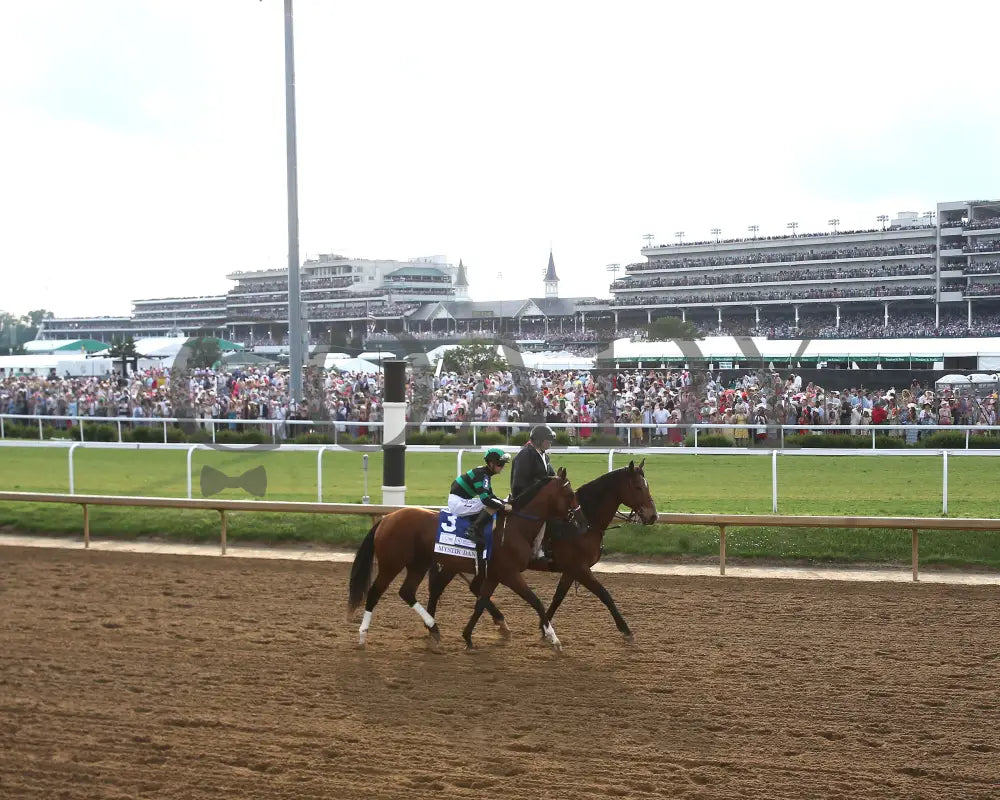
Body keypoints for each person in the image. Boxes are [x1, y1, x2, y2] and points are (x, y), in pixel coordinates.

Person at [447, 447, 512, 545]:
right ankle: (473, 530)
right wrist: (502, 506)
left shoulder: (484, 474)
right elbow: (485, 500)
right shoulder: (481, 475)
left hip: (461, 501)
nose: (502, 467)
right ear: (491, 463)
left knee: (495, 502)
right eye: (500, 464)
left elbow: (491, 496)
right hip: (457, 503)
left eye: (503, 464)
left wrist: (504, 502)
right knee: (491, 505)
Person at [510, 424, 556, 500]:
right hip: (527, 502)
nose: (550, 441)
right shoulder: (525, 456)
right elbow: (518, 485)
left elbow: (551, 477)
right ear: (538, 440)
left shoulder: (545, 456)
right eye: (548, 438)